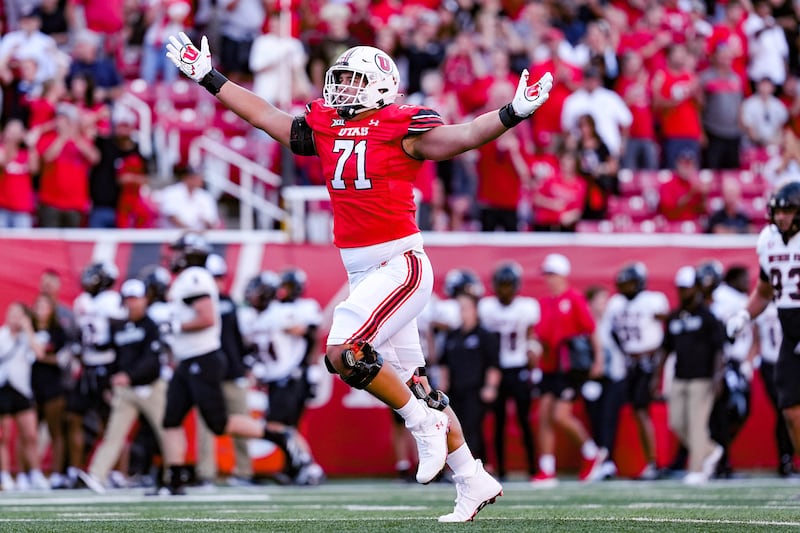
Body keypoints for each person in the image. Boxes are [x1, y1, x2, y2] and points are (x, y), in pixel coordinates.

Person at [166, 34, 552, 521]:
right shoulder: (326, 124)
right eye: (340, 79)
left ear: (383, 86)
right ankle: (472, 478)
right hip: (366, 270)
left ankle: (422, 426)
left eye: (354, 80)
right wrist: (208, 76)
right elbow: (266, 116)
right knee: (419, 386)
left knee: (343, 353)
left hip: (400, 264)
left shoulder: (401, 124)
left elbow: (461, 136)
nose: (343, 88)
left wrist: (513, 111)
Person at [156, 232, 311, 495]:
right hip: (188, 360)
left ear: (191, 254)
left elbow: (207, 318)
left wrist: (175, 325)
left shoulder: (195, 277)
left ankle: (277, 437)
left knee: (218, 424)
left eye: (179, 251)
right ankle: (175, 478)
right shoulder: (188, 278)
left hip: (202, 358)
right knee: (171, 419)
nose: (173, 256)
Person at [726, 180, 800, 481]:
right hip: (790, 333)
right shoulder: (768, 240)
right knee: (790, 410)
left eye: (789, 210)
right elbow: (765, 289)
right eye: (778, 211)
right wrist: (744, 314)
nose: (782, 217)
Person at [83, 278, 166, 493]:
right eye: (128, 299)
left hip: (151, 388)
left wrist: (129, 375)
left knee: (166, 431)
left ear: (144, 300)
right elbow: (114, 358)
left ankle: (174, 473)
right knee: (114, 433)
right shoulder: (118, 327)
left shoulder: (151, 324)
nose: (132, 304)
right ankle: (96, 475)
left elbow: (152, 359)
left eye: (135, 299)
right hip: (126, 390)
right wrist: (111, 383)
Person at [531, 253, 607, 487]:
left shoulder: (574, 299)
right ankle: (547, 468)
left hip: (569, 366)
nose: (549, 279)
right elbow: (539, 334)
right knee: (544, 416)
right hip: (549, 365)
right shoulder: (544, 302)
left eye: (553, 274)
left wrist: (598, 359)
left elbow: (590, 329)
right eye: (547, 274)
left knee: (560, 415)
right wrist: (533, 347)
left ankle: (591, 451)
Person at [604, 262, 669, 480]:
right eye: (623, 283)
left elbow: (666, 326)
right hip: (630, 362)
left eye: (630, 283)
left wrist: (658, 364)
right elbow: (612, 331)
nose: (626, 287)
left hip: (649, 360)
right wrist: (624, 352)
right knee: (635, 411)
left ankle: (653, 462)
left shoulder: (652, 300)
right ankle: (650, 462)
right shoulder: (616, 303)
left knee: (641, 411)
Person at [661, 266, 725, 486]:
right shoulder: (675, 316)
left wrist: (717, 377)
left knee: (697, 424)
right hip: (680, 376)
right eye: (680, 288)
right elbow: (666, 348)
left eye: (686, 288)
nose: (682, 292)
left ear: (696, 288)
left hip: (703, 377)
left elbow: (719, 348)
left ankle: (697, 469)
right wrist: (656, 377)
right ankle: (711, 450)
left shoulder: (707, 316)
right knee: (677, 423)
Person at [477, 261, 539, 481]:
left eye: (508, 285)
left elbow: (532, 335)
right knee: (498, 422)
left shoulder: (526, 307)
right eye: (501, 285)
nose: (504, 290)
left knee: (524, 420)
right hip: (497, 370)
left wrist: (533, 351)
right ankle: (501, 469)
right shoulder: (486, 307)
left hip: (518, 367)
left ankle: (534, 467)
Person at [195, 253, 253, 487]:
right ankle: (206, 473)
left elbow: (238, 338)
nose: (218, 281)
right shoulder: (197, 303)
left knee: (241, 422)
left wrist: (244, 365)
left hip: (232, 371)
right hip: (208, 373)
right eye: (214, 277)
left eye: (220, 277)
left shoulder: (229, 301)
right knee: (206, 426)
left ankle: (244, 471)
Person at [66, 261, 125, 489]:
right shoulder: (83, 301)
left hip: (106, 366)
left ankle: (117, 473)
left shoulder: (111, 301)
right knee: (74, 417)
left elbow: (118, 336)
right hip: (88, 366)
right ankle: (75, 470)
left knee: (112, 423)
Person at [438, 292, 501, 466]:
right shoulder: (453, 336)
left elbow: (493, 364)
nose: (462, 312)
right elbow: (444, 363)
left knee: (474, 427)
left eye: (465, 308)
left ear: (474, 310)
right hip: (455, 390)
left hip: (475, 389)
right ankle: (458, 466)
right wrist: (443, 386)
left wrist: (491, 386)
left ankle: (482, 464)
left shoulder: (484, 336)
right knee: (455, 428)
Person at [0, 302, 51, 491]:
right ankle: (5, 475)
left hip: (22, 389)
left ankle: (35, 473)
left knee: (30, 434)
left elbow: (39, 354)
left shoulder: (28, 337)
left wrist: (28, 329)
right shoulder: (2, 335)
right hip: (3, 388)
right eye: (11, 312)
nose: (14, 317)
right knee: (3, 436)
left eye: (18, 314)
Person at [29, 293, 69, 489]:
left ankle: (56, 473)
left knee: (56, 432)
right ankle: (30, 473)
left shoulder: (58, 331)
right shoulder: (29, 330)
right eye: (37, 306)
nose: (40, 310)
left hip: (53, 386)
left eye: (44, 306)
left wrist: (42, 356)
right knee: (30, 434)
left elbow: (61, 359)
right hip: (31, 387)